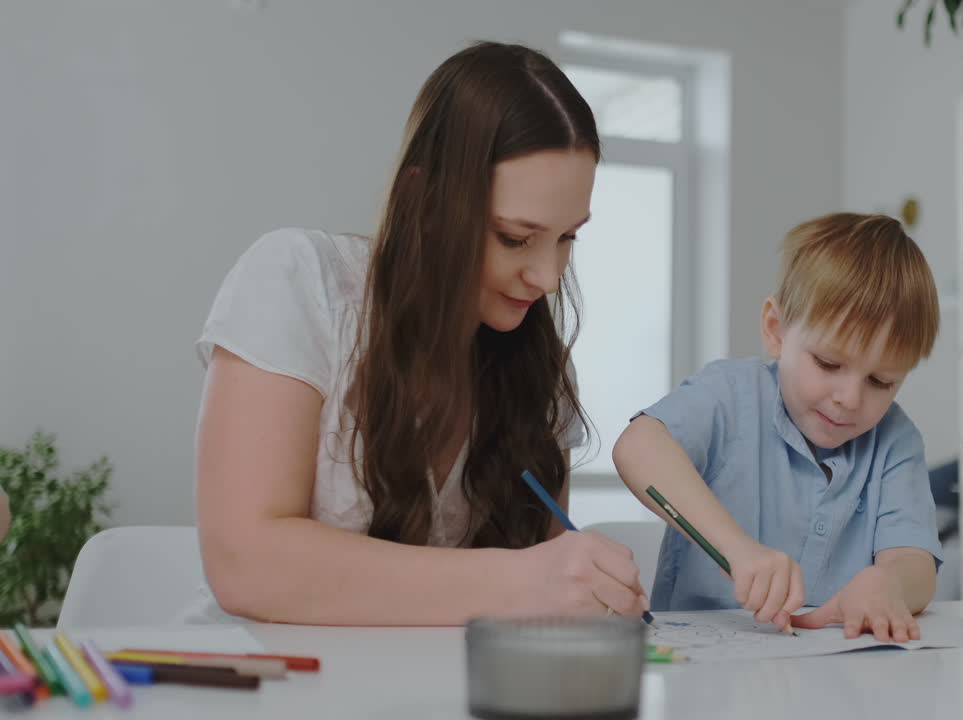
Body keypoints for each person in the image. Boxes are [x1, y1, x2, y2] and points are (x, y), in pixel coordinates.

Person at [189, 41, 647, 625]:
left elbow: (550, 592)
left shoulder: (539, 365)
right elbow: (246, 564)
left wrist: (585, 587)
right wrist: (524, 577)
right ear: (422, 199)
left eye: (567, 238)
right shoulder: (301, 283)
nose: (549, 277)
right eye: (515, 236)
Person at [614, 213, 941, 642]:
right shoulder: (730, 394)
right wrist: (738, 549)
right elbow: (637, 446)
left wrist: (889, 583)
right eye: (828, 363)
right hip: (699, 668)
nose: (850, 398)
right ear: (776, 330)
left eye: (881, 382)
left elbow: (915, 563)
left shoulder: (895, 439)